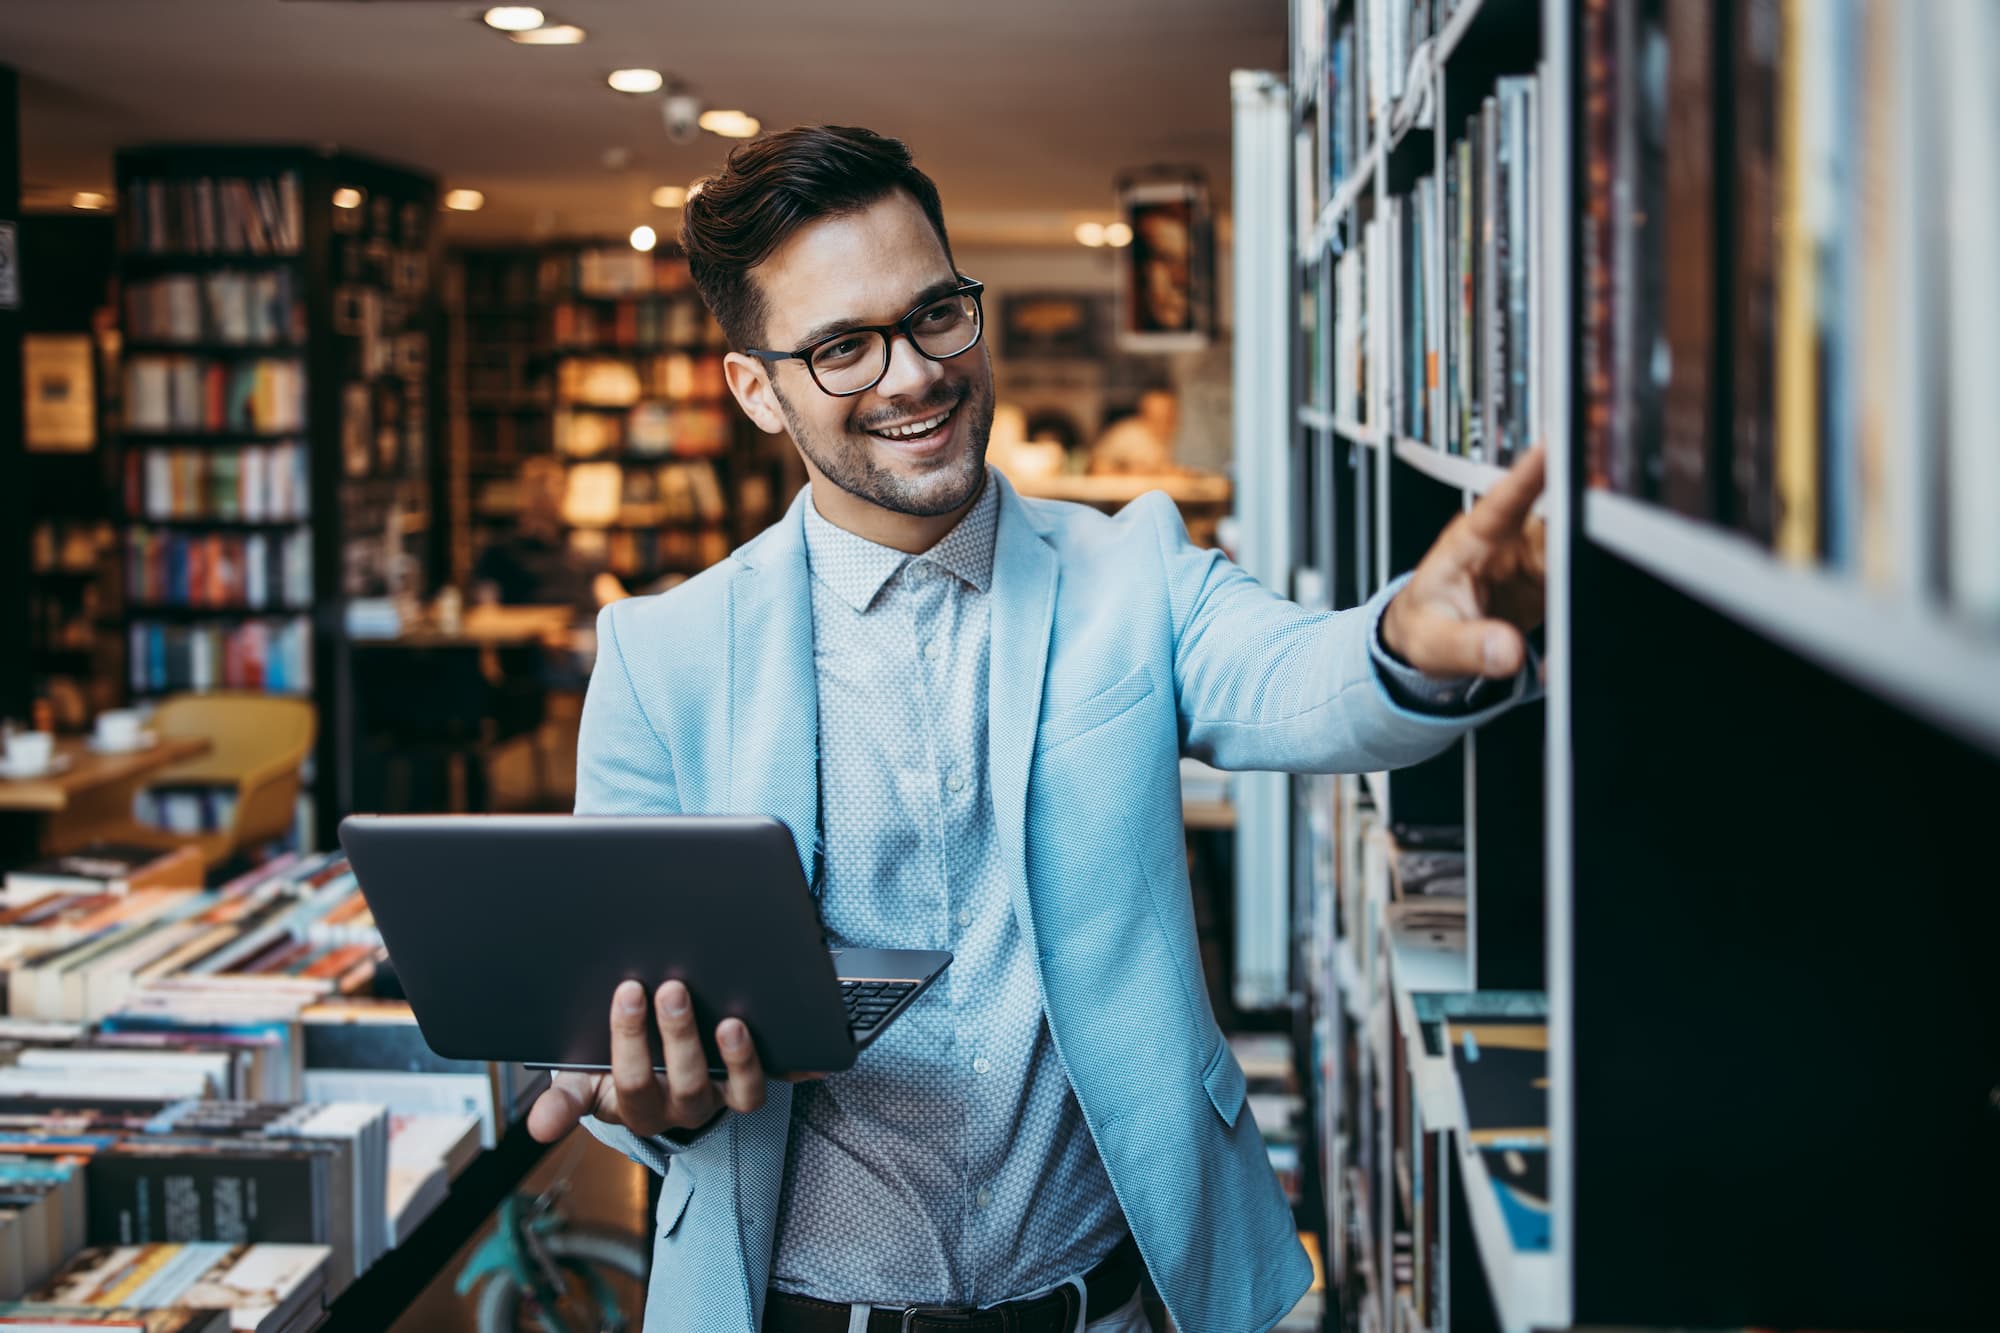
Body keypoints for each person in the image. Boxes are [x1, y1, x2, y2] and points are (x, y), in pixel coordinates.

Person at [526, 126, 1545, 1333]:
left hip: (1107, 1309)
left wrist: (1402, 642)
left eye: (935, 315)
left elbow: (1292, 672)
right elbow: (627, 1019)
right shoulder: (662, 656)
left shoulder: (1133, 569)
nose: (911, 374)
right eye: (844, 347)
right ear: (757, 388)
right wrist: (651, 1093)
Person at [472, 455, 627, 622]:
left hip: (586, 636)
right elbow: (488, 615)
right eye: (539, 486)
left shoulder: (581, 549)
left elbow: (611, 596)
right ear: (524, 494)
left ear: (565, 494)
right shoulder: (498, 552)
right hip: (532, 640)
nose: (549, 494)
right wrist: (539, 633)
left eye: (557, 485)